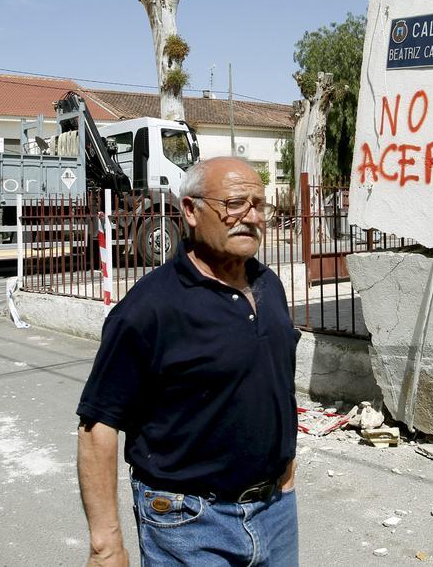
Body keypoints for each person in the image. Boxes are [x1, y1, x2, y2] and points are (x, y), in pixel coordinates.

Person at [77, 157, 300, 567]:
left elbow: (277, 383)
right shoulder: (150, 308)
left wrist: (286, 470)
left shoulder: (270, 285)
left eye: (259, 204)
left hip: (275, 511)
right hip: (187, 522)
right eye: (234, 203)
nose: (250, 216)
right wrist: (105, 545)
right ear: (191, 211)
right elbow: (98, 426)